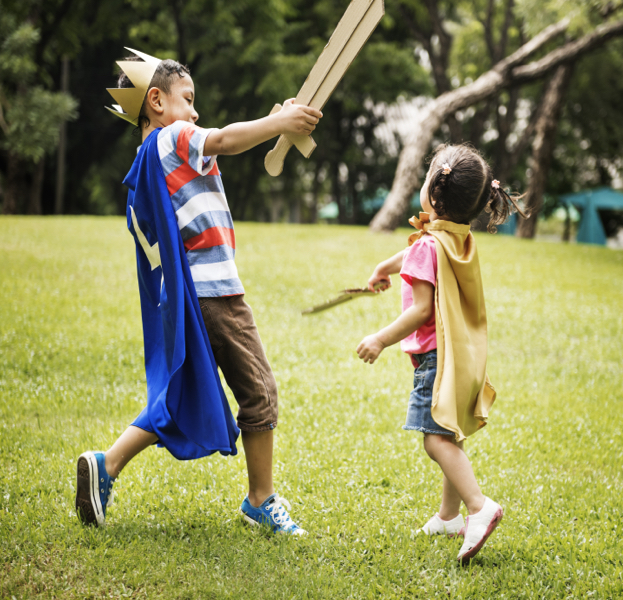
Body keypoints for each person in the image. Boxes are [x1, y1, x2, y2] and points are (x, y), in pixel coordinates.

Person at [75, 48, 322, 535]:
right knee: (260, 391)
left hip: (187, 299)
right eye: (188, 100)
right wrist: (279, 123)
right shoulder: (175, 136)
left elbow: (225, 145)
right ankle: (260, 498)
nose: (195, 112)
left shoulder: (150, 158)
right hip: (215, 293)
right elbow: (226, 140)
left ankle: (106, 465)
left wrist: (278, 121)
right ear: (156, 102)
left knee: (180, 393)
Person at [356, 144, 526, 564]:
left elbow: (420, 309)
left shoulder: (429, 245)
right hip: (461, 354)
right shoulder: (458, 237)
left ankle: (478, 506)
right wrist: (386, 266)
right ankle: (450, 516)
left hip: (435, 360)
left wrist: (380, 338)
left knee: (435, 440)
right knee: (450, 433)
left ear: (434, 192)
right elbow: (422, 249)